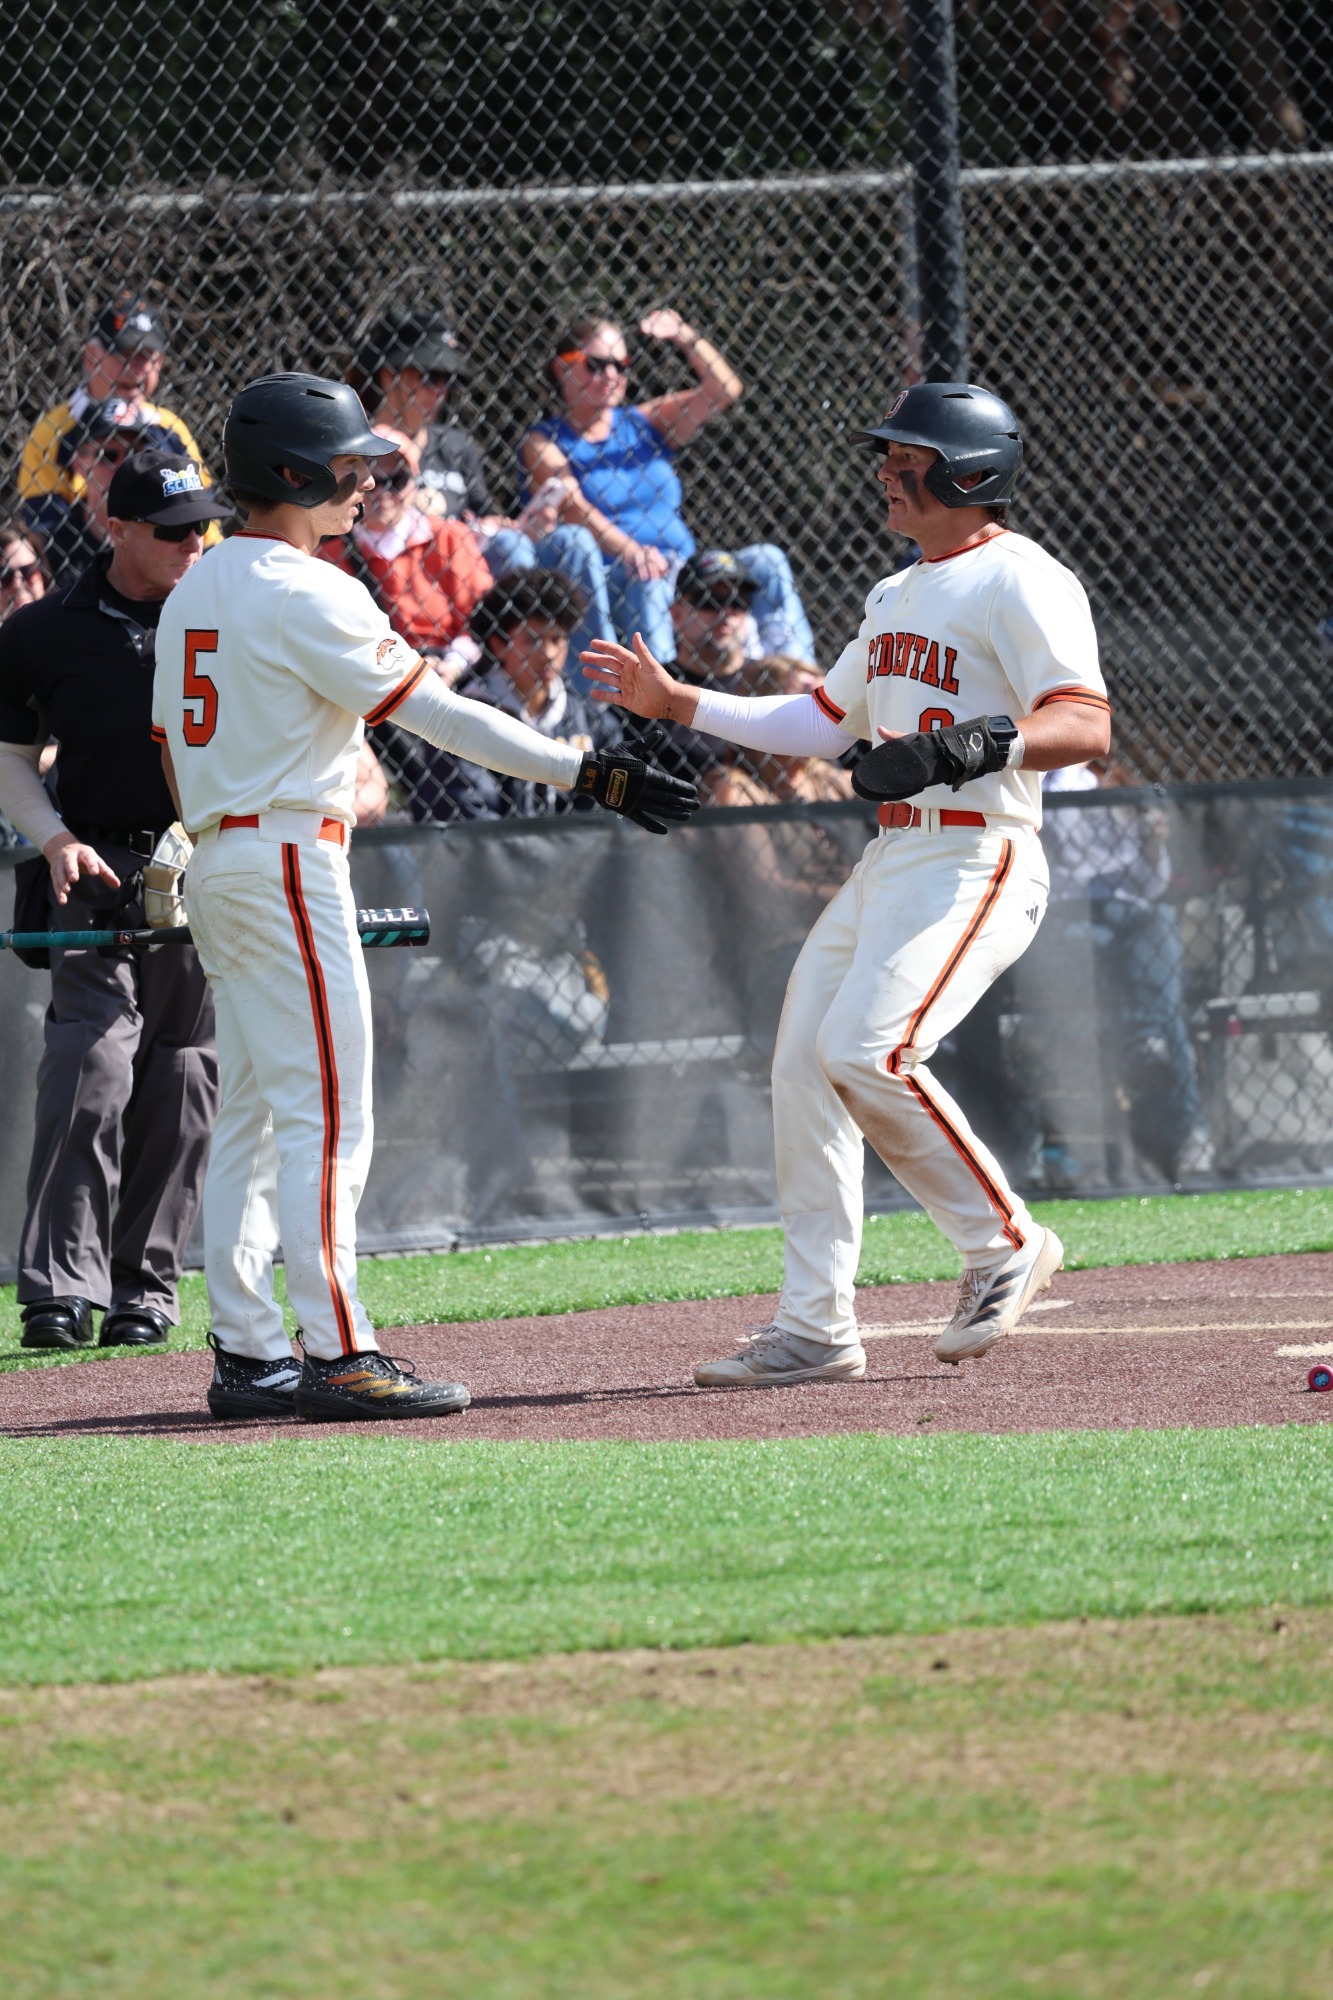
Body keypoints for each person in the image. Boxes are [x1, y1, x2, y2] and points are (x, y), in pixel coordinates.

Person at [152, 372, 697, 1424]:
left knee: (256, 1113)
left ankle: (250, 1351)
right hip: (284, 856)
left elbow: (170, 750)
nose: (367, 480)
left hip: (222, 852)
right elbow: (439, 717)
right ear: (294, 472)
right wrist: (584, 769)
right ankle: (338, 1350)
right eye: (349, 465)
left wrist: (222, 838)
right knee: (328, 1113)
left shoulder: (196, 587)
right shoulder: (308, 588)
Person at [584, 381, 1113, 1384]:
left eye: (908, 458)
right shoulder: (894, 593)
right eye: (887, 455)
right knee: (803, 1066)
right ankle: (815, 1324)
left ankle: (1002, 1240)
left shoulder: (1022, 578)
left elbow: (1084, 722)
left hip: (979, 852)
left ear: (970, 473)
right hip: (893, 858)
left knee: (870, 1051)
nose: (885, 472)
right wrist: (680, 700)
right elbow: (820, 723)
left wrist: (960, 747)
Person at [0, 451, 230, 1351]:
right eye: (171, 530)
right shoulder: (42, 630)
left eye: (201, 526)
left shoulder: (229, 614)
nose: (191, 543)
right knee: (89, 1061)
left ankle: (145, 1288)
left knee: (183, 1072)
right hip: (94, 866)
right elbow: (10, 756)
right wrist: (54, 838)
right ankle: (61, 1287)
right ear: (117, 528)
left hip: (206, 863)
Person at [521, 312, 814, 665]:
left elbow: (723, 390)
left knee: (767, 560)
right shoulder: (544, 441)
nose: (612, 375)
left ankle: (796, 676)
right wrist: (633, 552)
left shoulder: (642, 422)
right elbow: (573, 507)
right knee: (648, 580)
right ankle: (663, 691)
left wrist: (683, 335)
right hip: (617, 575)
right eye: (596, 364)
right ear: (562, 367)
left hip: (683, 570)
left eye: (621, 365)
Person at [353, 304, 614, 666]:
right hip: (423, 577)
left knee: (573, 540)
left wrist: (518, 524)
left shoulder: (456, 446)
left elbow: (483, 513)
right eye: (429, 377)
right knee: (510, 548)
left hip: (471, 561)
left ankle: (596, 682)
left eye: (447, 380)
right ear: (388, 376)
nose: (439, 390)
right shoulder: (362, 449)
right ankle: (518, 671)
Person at [379, 568, 629, 822]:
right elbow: (468, 812)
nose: (548, 654)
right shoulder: (461, 720)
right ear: (499, 645)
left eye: (557, 639)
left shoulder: (591, 723)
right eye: (532, 640)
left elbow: (601, 818)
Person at [18, 292, 216, 545]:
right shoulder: (53, 432)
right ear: (91, 356)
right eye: (124, 354)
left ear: (160, 362)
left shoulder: (171, 428)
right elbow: (44, 531)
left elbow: (207, 524)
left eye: (147, 356)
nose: (137, 369)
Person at [318, 427, 492, 679]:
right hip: (372, 674)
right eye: (372, 483)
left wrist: (452, 666)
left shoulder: (449, 537)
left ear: (415, 481)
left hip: (449, 666)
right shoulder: (328, 556)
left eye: (397, 481)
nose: (383, 493)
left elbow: (481, 621)